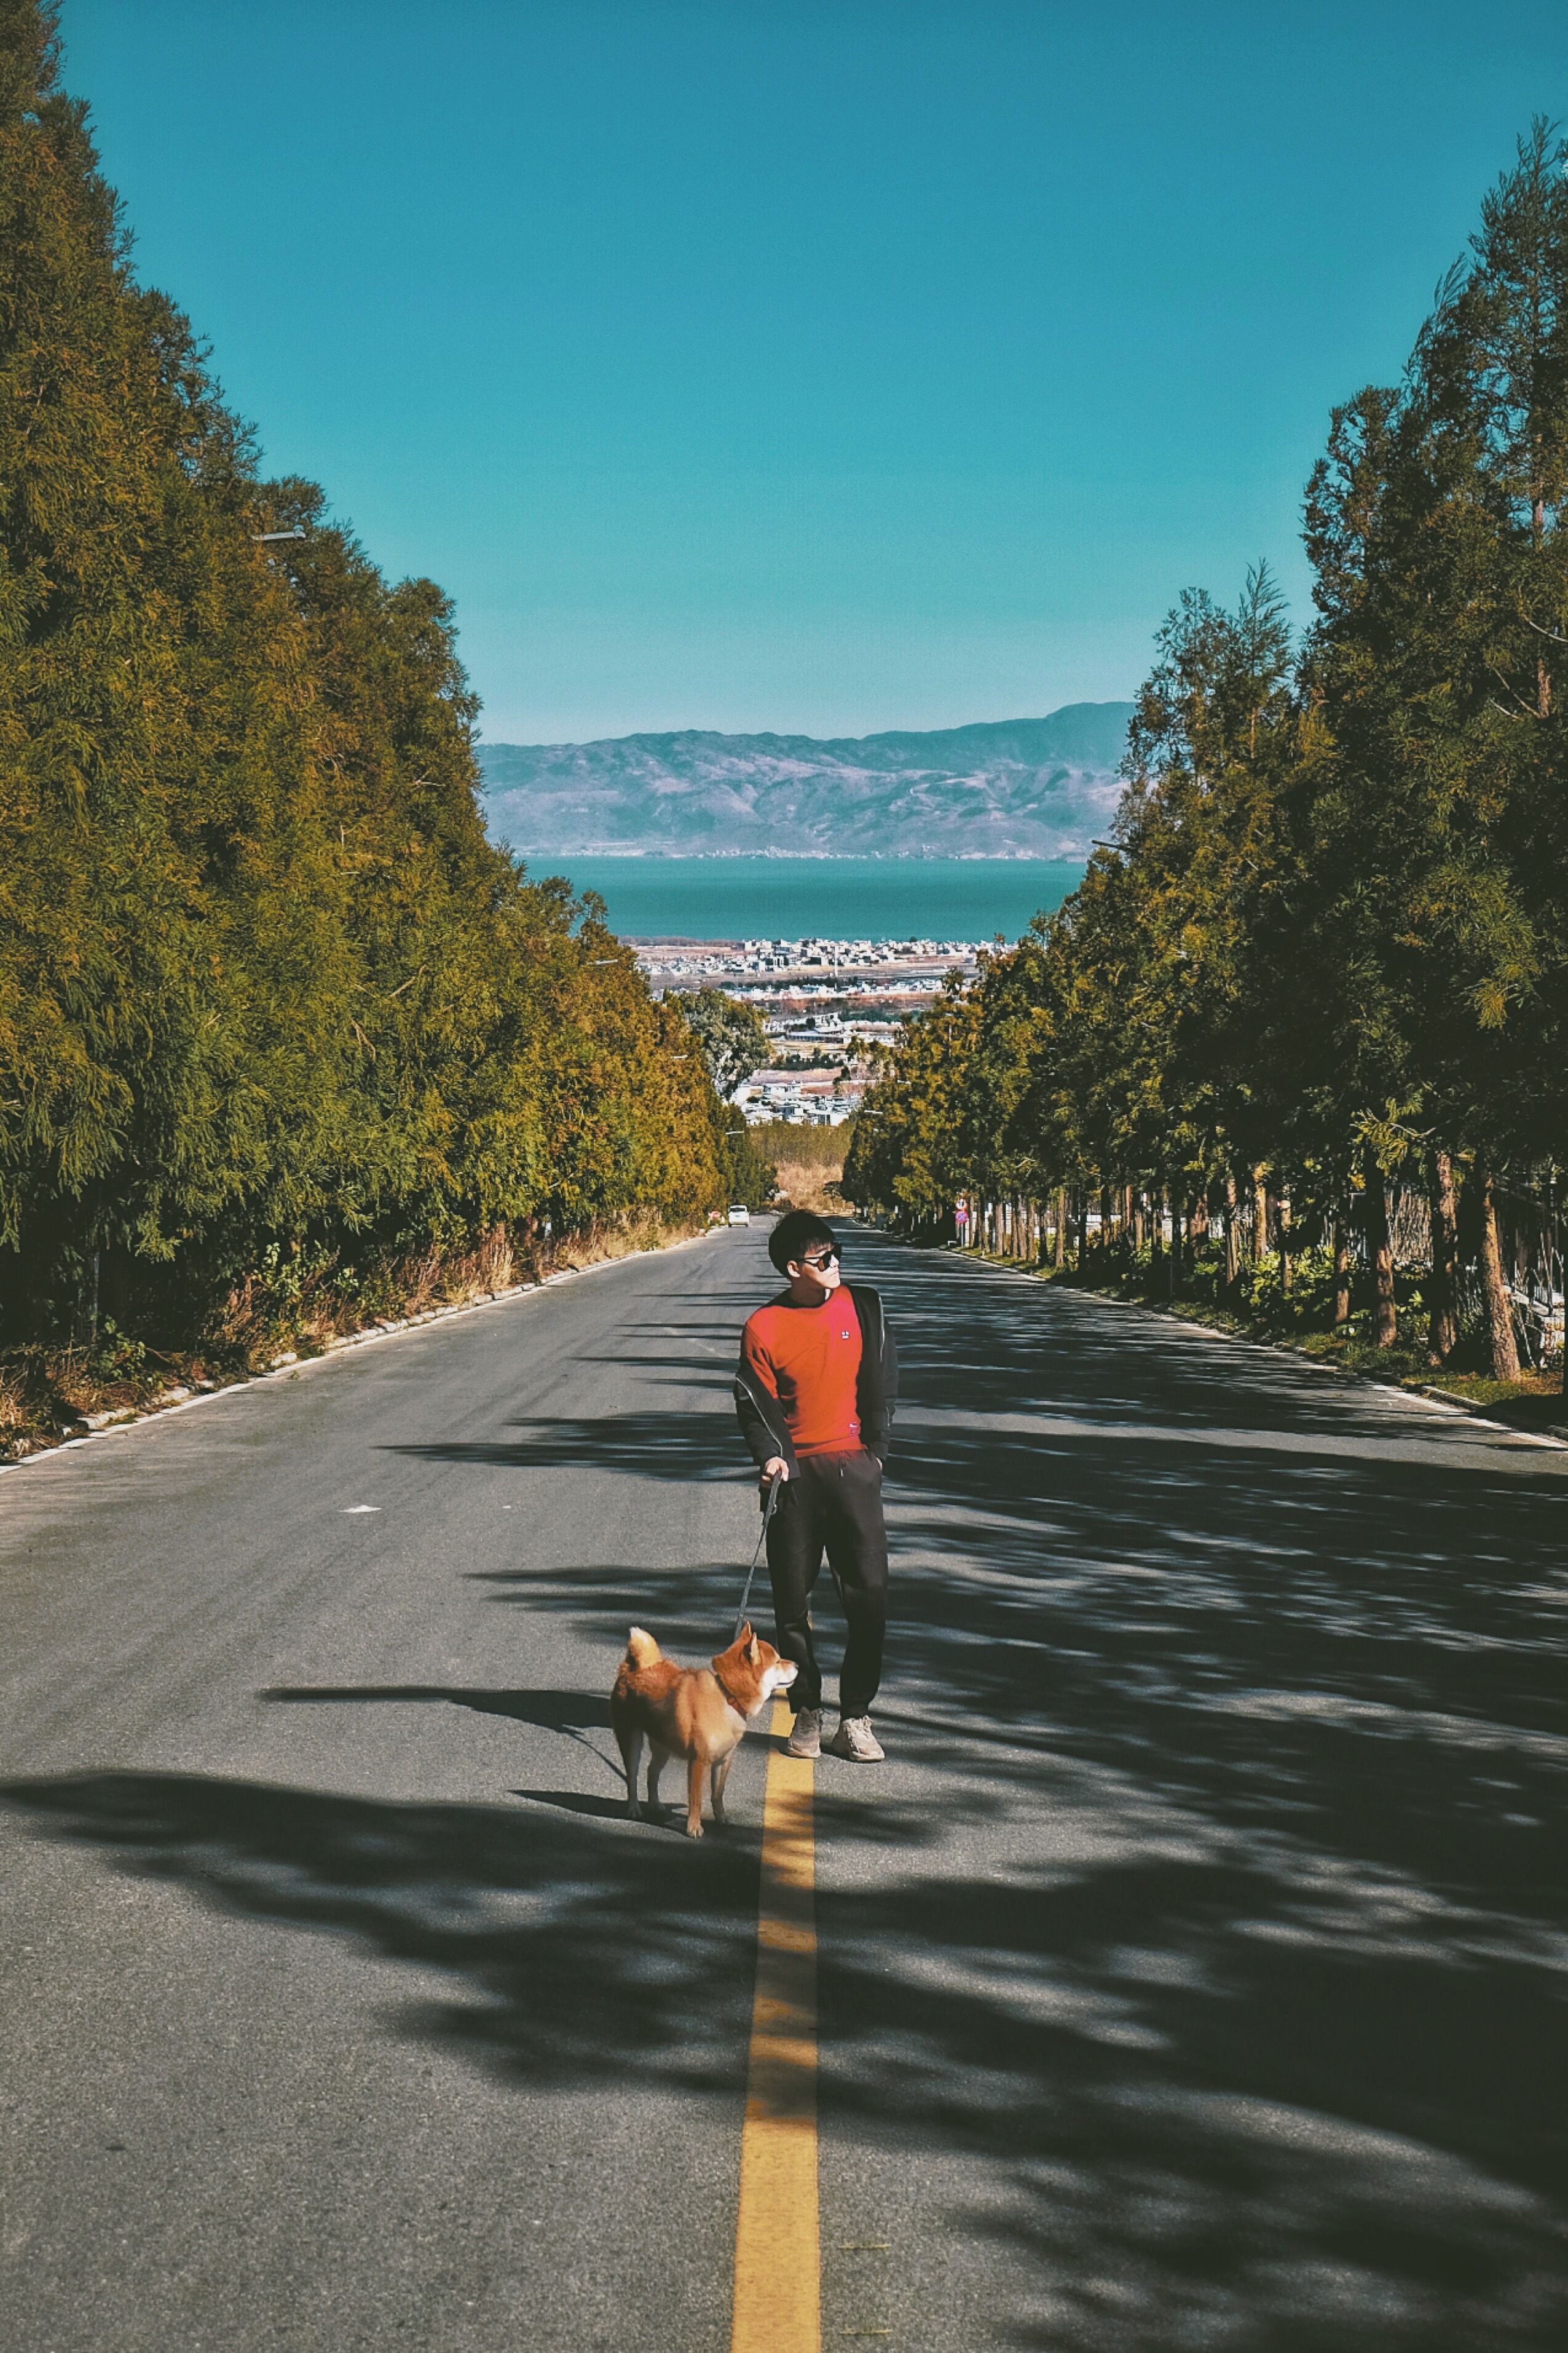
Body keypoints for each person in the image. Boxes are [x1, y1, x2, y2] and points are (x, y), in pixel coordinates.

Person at [733, 1208, 897, 1760]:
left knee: (869, 1597)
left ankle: (856, 1716)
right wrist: (772, 1457)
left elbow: (884, 1380)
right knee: (790, 1605)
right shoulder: (763, 1327)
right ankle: (807, 1709)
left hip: (855, 1472)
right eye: (821, 1259)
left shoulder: (865, 1305)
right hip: (795, 1479)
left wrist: (875, 1454)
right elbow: (754, 1403)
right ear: (792, 1269)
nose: (834, 1265)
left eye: (836, 1254)